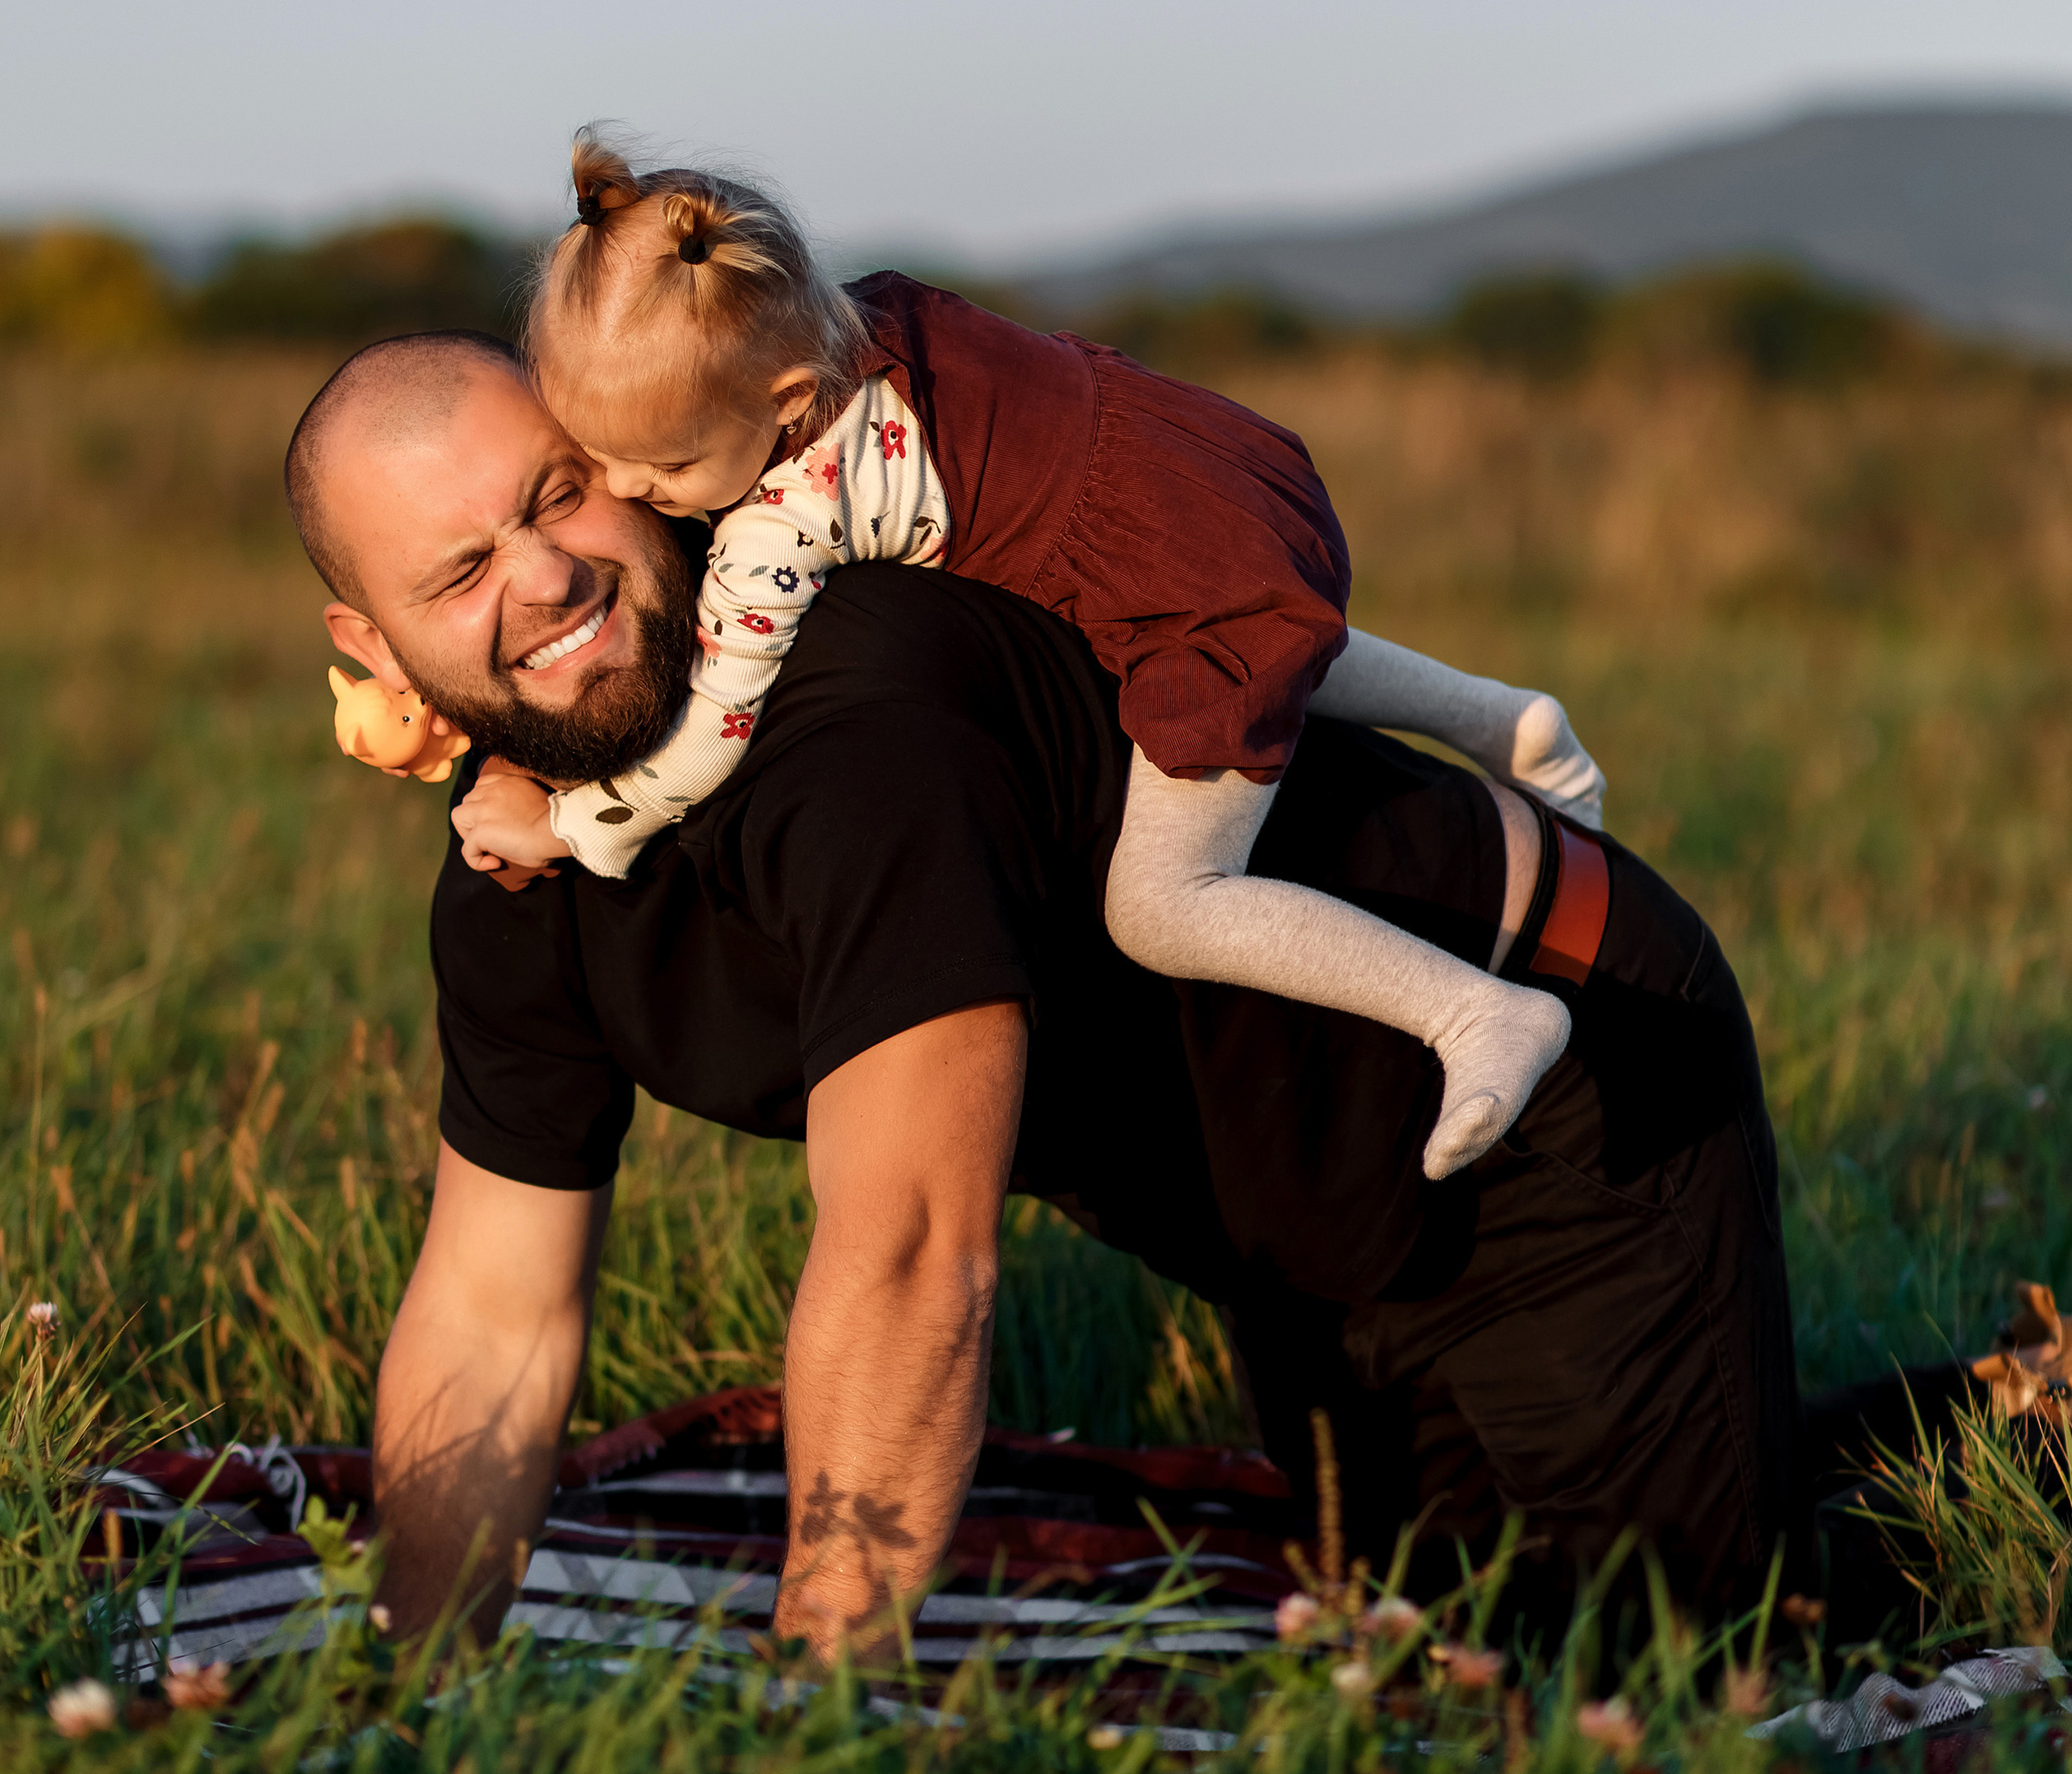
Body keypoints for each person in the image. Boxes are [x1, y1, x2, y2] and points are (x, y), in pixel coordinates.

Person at [287, 331, 1814, 1660]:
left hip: (1556, 1069)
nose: (545, 575)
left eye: (556, 495)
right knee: (1424, 1639)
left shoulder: (854, 723)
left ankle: (2014, 1436)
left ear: (627, 461)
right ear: (374, 643)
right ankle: (1902, 1420)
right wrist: (419, 1686)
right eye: (461, 567)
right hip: (1297, 1229)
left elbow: (909, 1256)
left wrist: (824, 1720)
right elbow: (494, 1309)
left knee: (1670, 1667)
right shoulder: (519, 885)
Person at [410, 136, 1607, 1182]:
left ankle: (1475, 1014)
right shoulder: (849, 313)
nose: (628, 497)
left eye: (660, 474)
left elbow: (714, 727)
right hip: (1203, 478)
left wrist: (571, 830)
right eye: (599, 461)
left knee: (1166, 904)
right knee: (1251, 633)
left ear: (782, 406)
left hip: (1175, 578)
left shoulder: (789, 520)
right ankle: (1501, 720)